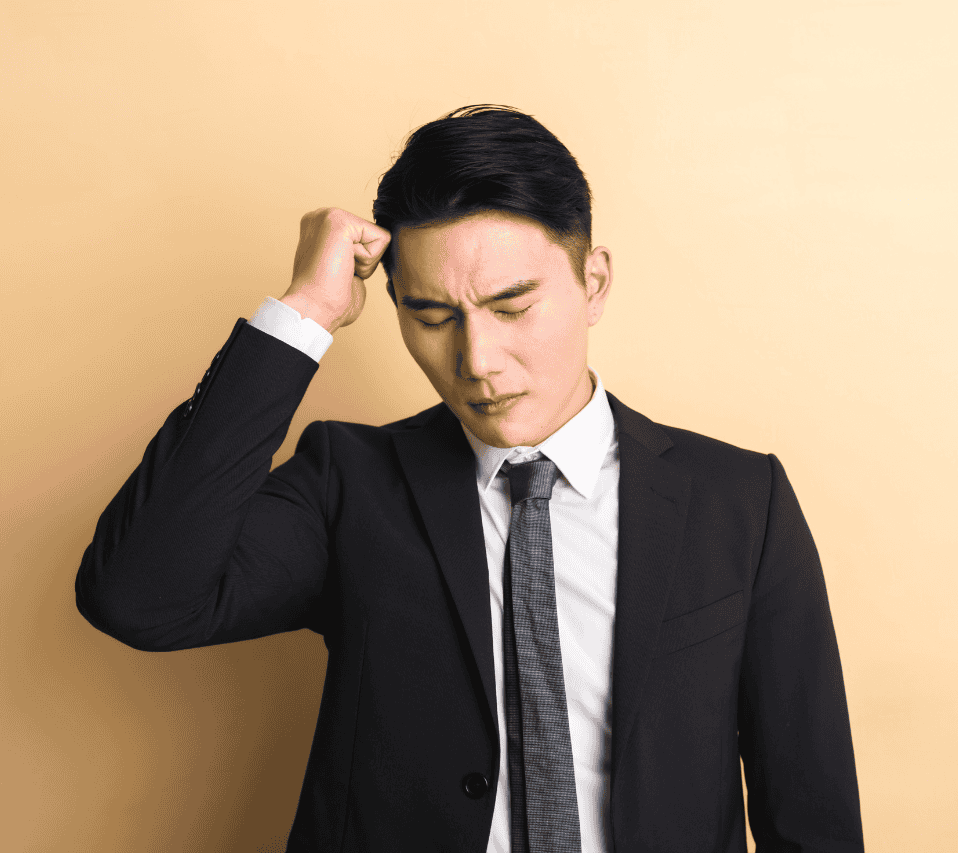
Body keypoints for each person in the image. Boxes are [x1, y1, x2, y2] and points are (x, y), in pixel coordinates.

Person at [75, 105, 862, 852]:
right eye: (431, 315)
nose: (477, 361)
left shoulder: (740, 503)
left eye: (511, 306)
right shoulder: (351, 484)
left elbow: (813, 818)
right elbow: (140, 596)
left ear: (593, 283)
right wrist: (304, 312)